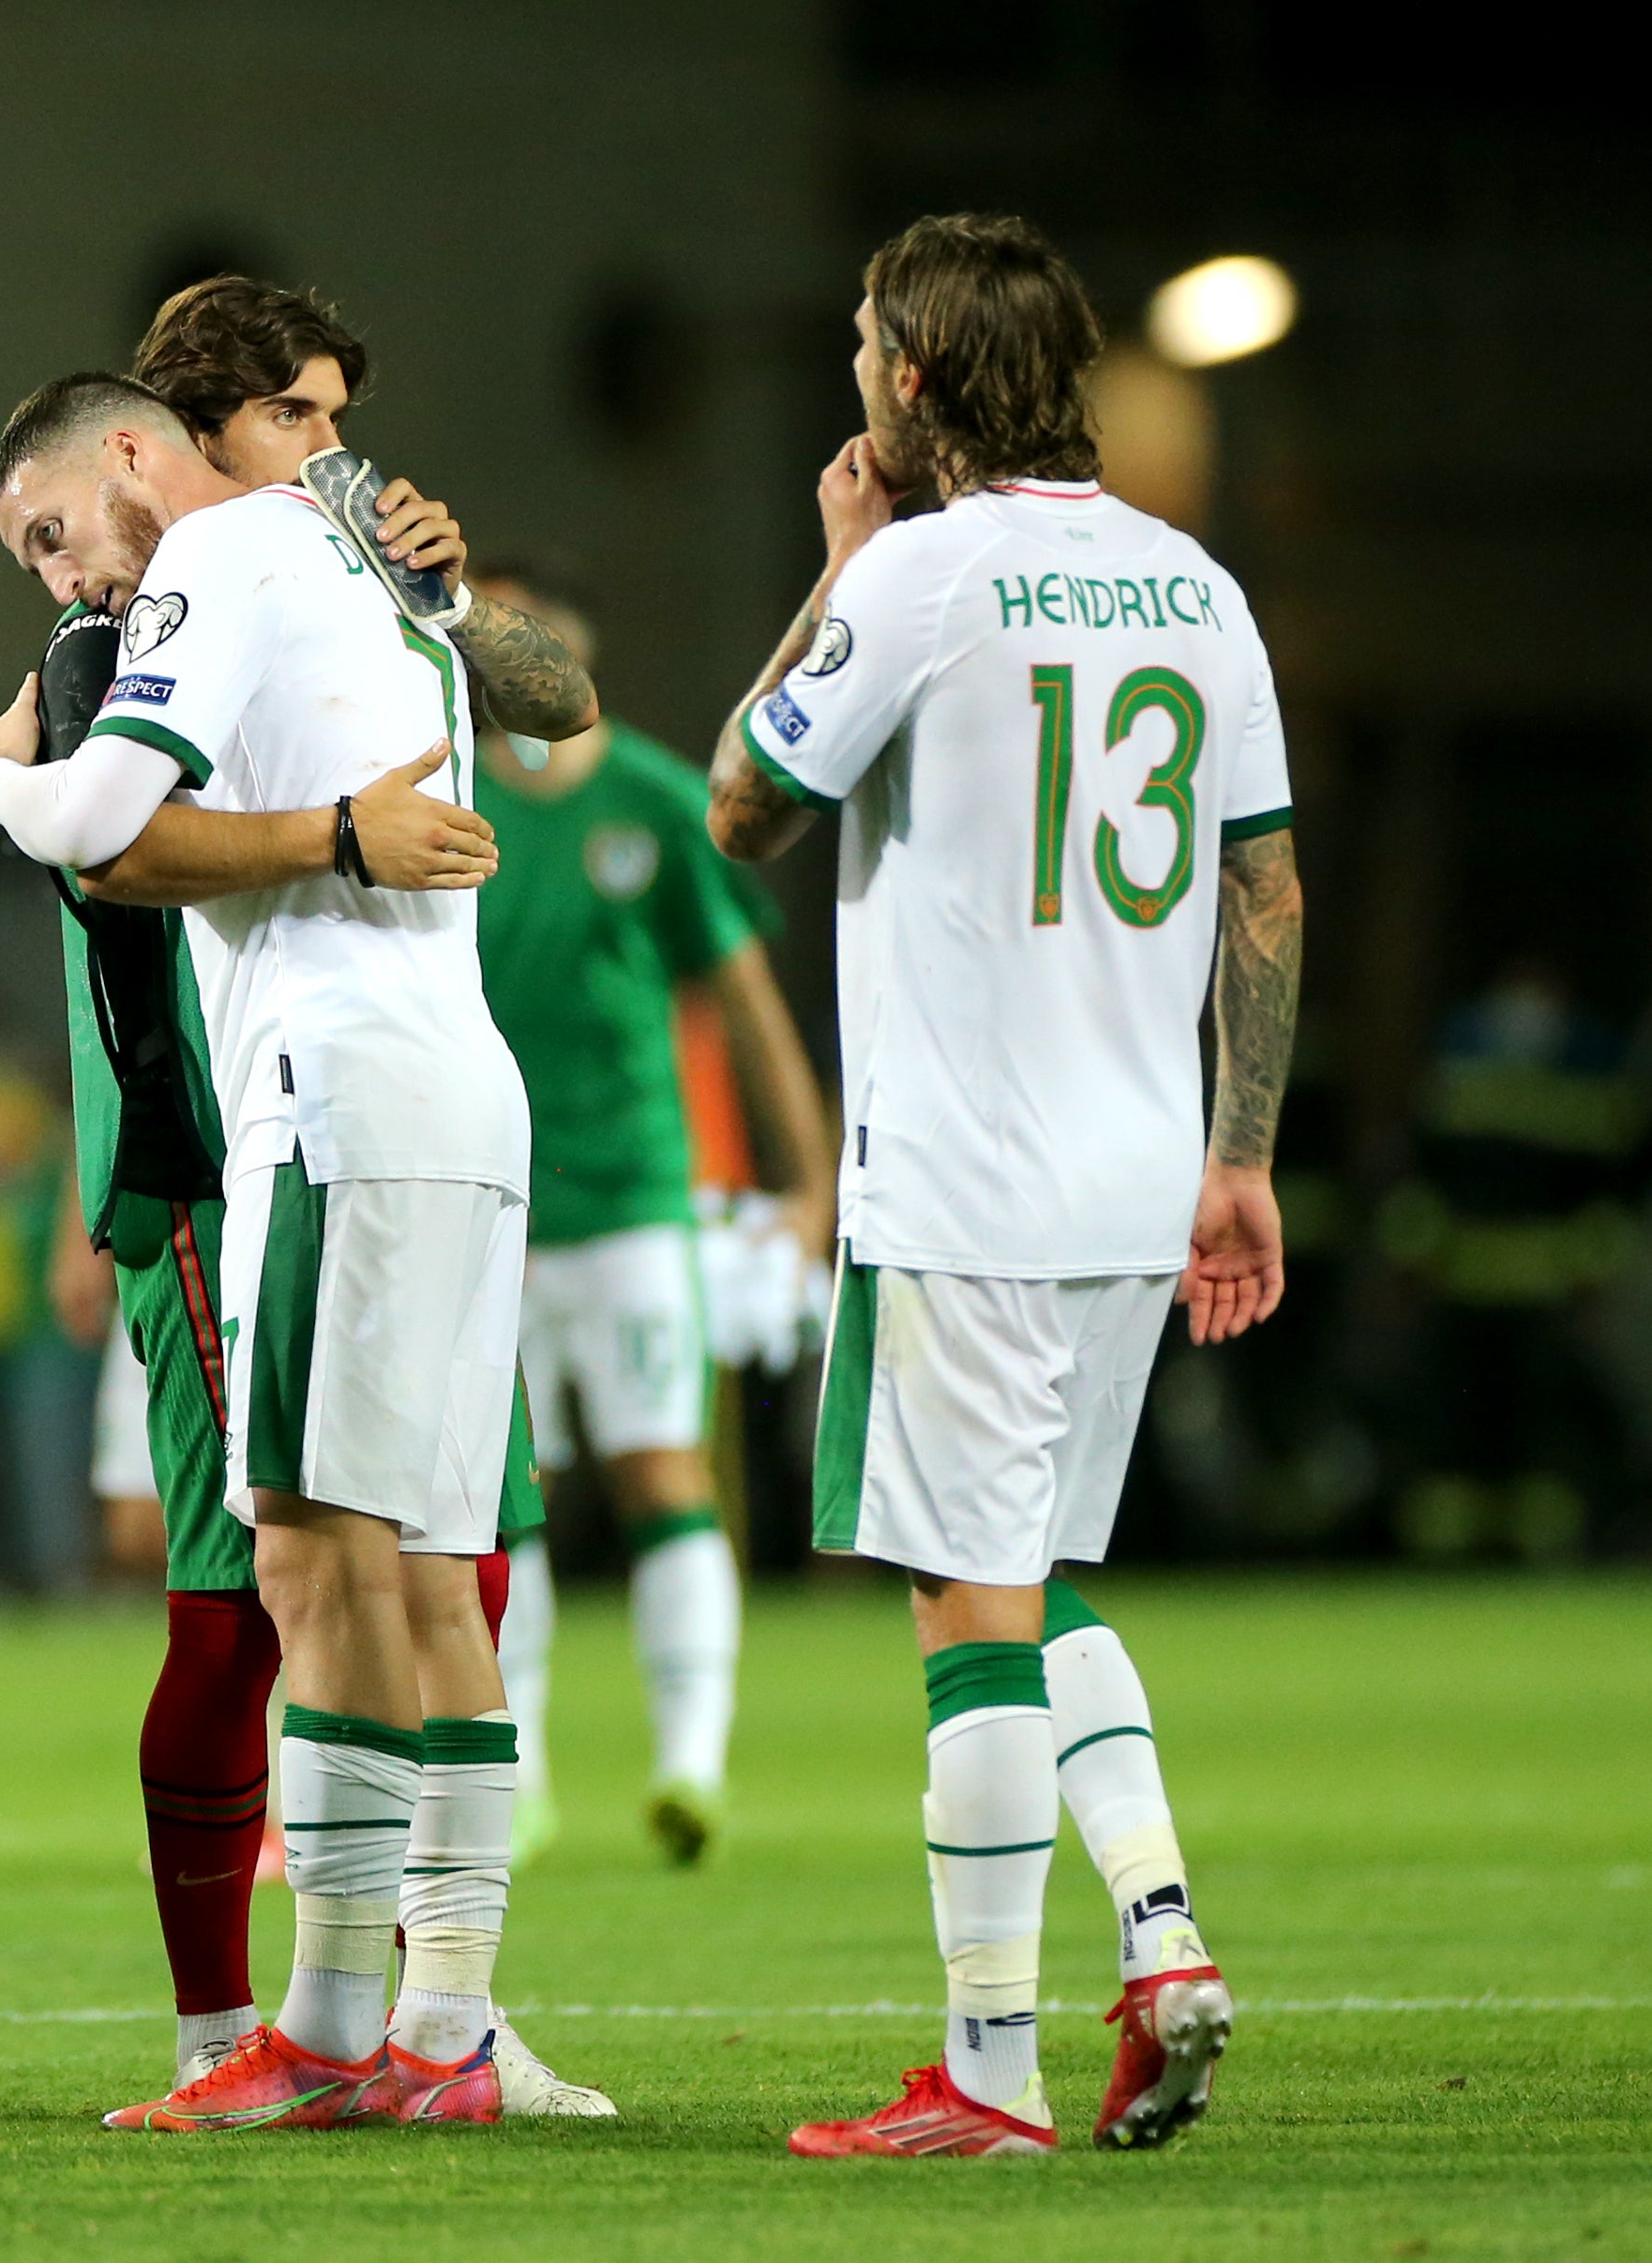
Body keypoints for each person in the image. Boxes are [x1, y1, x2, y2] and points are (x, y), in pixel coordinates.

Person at [706, 214, 1299, 2158]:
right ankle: (1159, 1939)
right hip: (1136, 1178)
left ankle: (983, 2067)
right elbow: (1261, 885)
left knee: (965, 1610)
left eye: (868, 338)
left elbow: (742, 804)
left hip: (960, 1176)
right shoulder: (1190, 589)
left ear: (913, 380)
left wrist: (833, 571)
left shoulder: (926, 577)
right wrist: (1240, 1154)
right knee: (1032, 1584)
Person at [0, 370, 602, 2132]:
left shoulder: (262, 553)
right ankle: (413, 2026)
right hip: (378, 1111)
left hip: (334, 1100)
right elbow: (544, 709)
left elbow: (100, 824)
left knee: (332, 1572)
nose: (64, 583)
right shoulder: (299, 577)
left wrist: (7, 775)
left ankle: (354, 2030)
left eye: (51, 535)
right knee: (379, 1580)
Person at [465, 560, 836, 1868]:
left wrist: (811, 1178)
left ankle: (690, 1766)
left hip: (630, 1199)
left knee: (660, 1472)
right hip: (484, 1203)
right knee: (499, 1497)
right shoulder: (439, 796)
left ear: (573, 652)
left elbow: (746, 999)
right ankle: (522, 1777)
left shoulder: (660, 802)